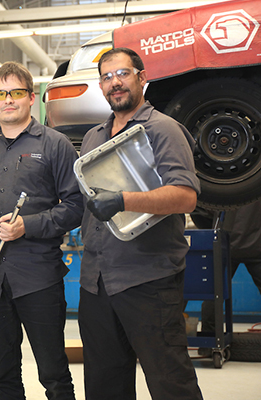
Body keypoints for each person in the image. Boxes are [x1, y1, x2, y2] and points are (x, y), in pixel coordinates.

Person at [78, 47, 203, 400]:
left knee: (169, 382)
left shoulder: (163, 130)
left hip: (148, 278)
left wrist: (123, 200)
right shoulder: (92, 139)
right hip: (97, 282)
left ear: (141, 78)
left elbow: (184, 196)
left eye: (123, 73)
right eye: (106, 76)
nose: (115, 82)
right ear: (101, 86)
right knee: (104, 385)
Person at [0, 61, 82, 400]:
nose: (8, 100)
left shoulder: (55, 145)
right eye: (0, 94)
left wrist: (27, 226)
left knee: (54, 373)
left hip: (39, 279)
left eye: (16, 93)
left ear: (32, 98)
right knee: (3, 376)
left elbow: (75, 205)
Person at [199, 201, 261, 336]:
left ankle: (209, 342)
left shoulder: (224, 180)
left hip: (226, 242)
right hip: (257, 246)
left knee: (214, 292)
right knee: (214, 292)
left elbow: (202, 211)